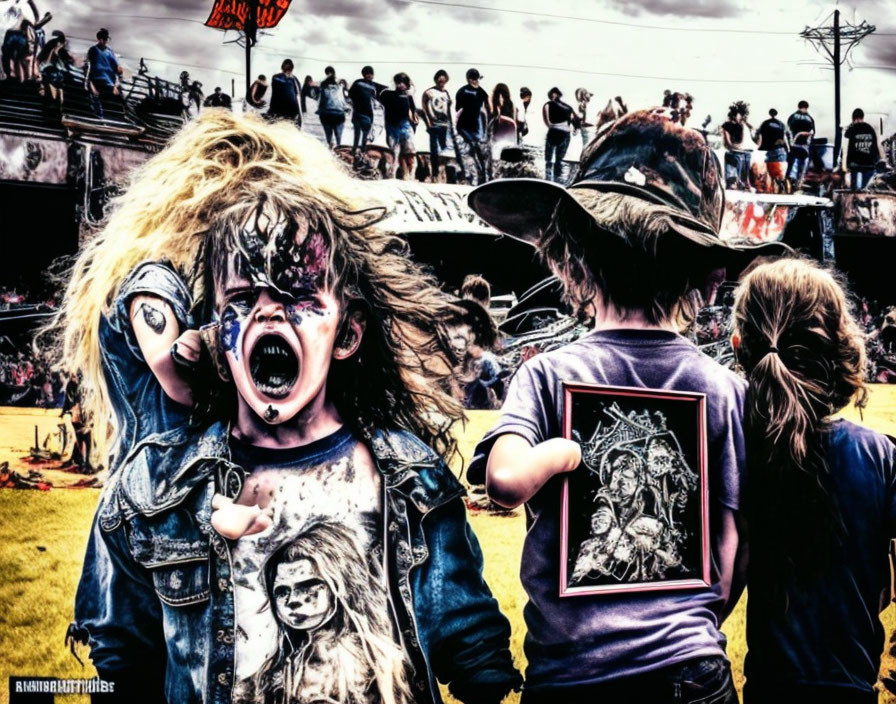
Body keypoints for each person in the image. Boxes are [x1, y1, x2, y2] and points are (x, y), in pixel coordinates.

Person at [67, 110, 522, 704]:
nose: (270, 312)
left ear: (349, 332)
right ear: (215, 325)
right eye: (243, 297)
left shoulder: (411, 478)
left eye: (299, 293)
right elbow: (123, 665)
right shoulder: (155, 493)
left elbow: (473, 648)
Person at [466, 109, 787, 703]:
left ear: (572, 261)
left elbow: (504, 481)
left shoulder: (544, 375)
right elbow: (733, 546)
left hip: (573, 675)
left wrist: (562, 454)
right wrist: (685, 624)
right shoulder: (723, 390)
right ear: (708, 279)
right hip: (689, 669)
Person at [732, 258, 895, 704]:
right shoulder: (877, 454)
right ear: (841, 348)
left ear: (739, 346)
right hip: (851, 688)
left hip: (768, 689)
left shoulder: (740, 451)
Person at [239, 519, 413, 703]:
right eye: (282, 591)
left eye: (307, 586)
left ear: (341, 585)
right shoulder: (272, 672)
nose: (292, 601)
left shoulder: (379, 661)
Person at [377, 72, 418, 179]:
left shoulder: (408, 97)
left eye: (403, 82)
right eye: (398, 82)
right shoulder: (388, 94)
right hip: (391, 126)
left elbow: (413, 110)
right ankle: (392, 174)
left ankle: (409, 174)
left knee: (410, 150)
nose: (401, 85)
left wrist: (414, 121)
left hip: (405, 125)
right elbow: (378, 92)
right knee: (394, 151)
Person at [454, 68, 491, 185]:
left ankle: (483, 176)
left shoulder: (482, 92)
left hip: (476, 126)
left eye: (476, 78)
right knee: (470, 149)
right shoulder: (462, 90)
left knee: (479, 151)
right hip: (463, 126)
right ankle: (470, 175)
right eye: (472, 78)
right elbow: (457, 109)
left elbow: (488, 108)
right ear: (468, 79)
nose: (474, 81)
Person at [542, 87, 579, 183]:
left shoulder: (547, 105)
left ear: (551, 95)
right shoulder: (568, 107)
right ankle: (558, 182)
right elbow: (575, 120)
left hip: (554, 132)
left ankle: (548, 181)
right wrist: (576, 129)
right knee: (559, 160)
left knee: (549, 159)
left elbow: (547, 122)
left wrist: (554, 125)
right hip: (565, 133)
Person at [347, 65, 385, 159]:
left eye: (370, 74)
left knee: (363, 134)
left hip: (366, 114)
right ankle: (358, 150)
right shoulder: (361, 83)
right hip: (360, 113)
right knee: (359, 133)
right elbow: (350, 95)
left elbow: (383, 92)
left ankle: (359, 150)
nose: (369, 76)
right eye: (367, 74)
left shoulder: (371, 85)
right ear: (364, 74)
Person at [421, 69, 452, 181]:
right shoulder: (429, 92)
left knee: (444, 149)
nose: (441, 81)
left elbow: (448, 108)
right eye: (439, 78)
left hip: (445, 124)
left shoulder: (446, 93)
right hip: (434, 123)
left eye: (443, 79)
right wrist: (428, 121)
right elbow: (424, 107)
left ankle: (444, 173)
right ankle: (434, 173)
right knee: (434, 150)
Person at [85, 28, 122, 119]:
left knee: (114, 103)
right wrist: (90, 84)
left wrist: (115, 85)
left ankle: (107, 119)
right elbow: (88, 67)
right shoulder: (93, 50)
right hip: (97, 81)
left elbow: (116, 68)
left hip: (108, 82)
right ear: (99, 39)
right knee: (95, 102)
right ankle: (99, 119)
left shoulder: (109, 52)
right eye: (103, 39)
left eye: (106, 39)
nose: (104, 41)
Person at [844, 108, 882, 191]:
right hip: (869, 163)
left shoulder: (853, 128)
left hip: (855, 164)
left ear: (854, 119)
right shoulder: (870, 128)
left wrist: (851, 125)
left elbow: (846, 135)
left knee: (854, 190)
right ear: (862, 117)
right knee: (866, 189)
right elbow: (875, 146)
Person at [755, 109, 789, 192]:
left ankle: (776, 186)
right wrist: (788, 148)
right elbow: (786, 137)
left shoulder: (765, 123)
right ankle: (782, 185)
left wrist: (758, 146)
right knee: (781, 171)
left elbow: (759, 136)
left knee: (772, 171)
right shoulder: (781, 124)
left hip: (770, 150)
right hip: (781, 149)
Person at [37, 29, 73, 108]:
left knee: (57, 87)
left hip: (50, 71)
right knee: (57, 87)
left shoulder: (52, 47)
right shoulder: (55, 49)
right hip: (52, 71)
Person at [721, 101, 753, 189]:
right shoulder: (729, 125)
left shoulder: (742, 125)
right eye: (740, 115)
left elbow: (732, 141)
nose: (741, 117)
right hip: (737, 152)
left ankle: (738, 182)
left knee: (739, 179)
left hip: (740, 151)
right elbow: (729, 141)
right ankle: (736, 182)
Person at [317, 65, 348, 149]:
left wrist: (319, 111)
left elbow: (319, 100)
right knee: (339, 138)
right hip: (339, 114)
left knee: (329, 138)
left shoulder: (323, 85)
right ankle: (339, 150)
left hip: (326, 114)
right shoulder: (341, 84)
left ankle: (331, 150)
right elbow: (346, 99)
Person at [786, 100, 814, 189]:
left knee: (793, 165)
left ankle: (791, 182)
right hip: (804, 145)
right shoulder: (809, 118)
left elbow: (788, 131)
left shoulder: (792, 117)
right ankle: (798, 184)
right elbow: (812, 133)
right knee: (803, 166)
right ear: (806, 108)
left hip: (794, 145)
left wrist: (791, 143)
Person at [267, 59, 302, 127]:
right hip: (291, 112)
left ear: (282, 67)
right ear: (292, 69)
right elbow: (299, 96)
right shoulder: (295, 80)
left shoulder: (276, 77)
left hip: (278, 111)